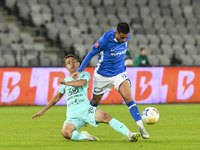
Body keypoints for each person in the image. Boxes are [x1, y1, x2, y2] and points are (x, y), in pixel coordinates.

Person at [32, 54, 141, 142]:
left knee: (105, 117)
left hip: (86, 109)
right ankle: (85, 137)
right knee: (65, 133)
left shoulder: (84, 75)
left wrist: (66, 82)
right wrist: (43, 111)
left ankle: (129, 134)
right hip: (72, 114)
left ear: (78, 64)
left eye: (74, 61)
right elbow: (56, 97)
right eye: (68, 63)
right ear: (66, 67)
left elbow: (81, 83)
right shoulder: (66, 82)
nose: (71, 64)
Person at [71, 22, 149, 139]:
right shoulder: (105, 40)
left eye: (126, 37)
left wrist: (126, 38)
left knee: (128, 97)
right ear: (116, 33)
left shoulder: (127, 36)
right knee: (96, 100)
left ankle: (140, 126)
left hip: (119, 73)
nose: (124, 40)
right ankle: (86, 119)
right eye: (122, 37)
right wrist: (80, 70)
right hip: (102, 75)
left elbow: (125, 38)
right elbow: (92, 53)